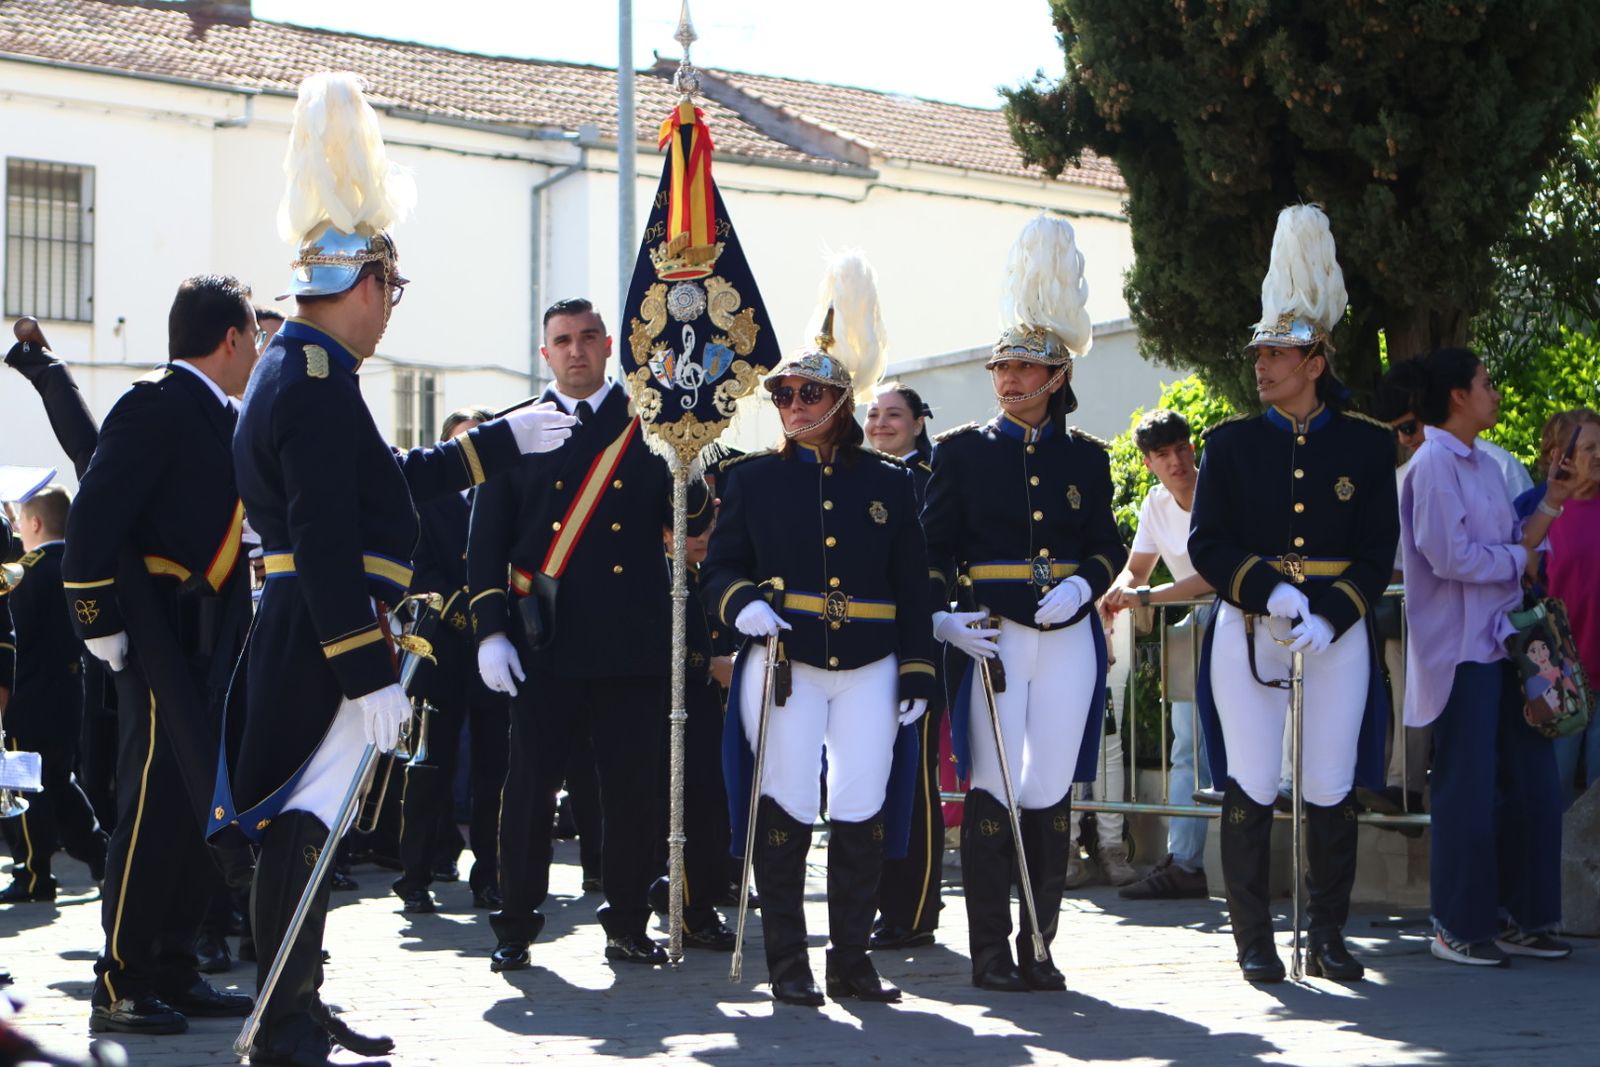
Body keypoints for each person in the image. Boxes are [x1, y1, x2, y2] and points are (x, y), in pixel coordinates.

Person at [213, 72, 575, 1067]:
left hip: (308, 619)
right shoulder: (318, 381)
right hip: (321, 626)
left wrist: (498, 442)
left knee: (312, 821)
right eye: (392, 291)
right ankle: (284, 1020)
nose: (390, 313)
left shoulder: (304, 371)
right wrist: (364, 671)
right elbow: (330, 538)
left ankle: (299, 1000)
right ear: (365, 279)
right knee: (302, 822)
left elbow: (389, 482)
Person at [702, 253, 934, 1006]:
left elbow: (914, 586)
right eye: (783, 392)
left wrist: (919, 670)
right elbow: (719, 568)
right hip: (784, 662)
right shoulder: (749, 479)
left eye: (808, 392)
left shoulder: (891, 485)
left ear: (840, 400)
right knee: (788, 800)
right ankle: (788, 962)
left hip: (869, 663)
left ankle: (852, 960)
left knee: (862, 803)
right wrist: (742, 605)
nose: (792, 403)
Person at [1188, 205, 1397, 984]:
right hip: (1250, 626)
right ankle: (1253, 938)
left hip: (1334, 633)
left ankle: (1332, 935)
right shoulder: (1231, 443)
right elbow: (1209, 542)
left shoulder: (1369, 444)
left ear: (1316, 358)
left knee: (1329, 782)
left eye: (1277, 352)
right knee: (1248, 777)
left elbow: (1379, 551)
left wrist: (1335, 612)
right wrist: (1271, 592)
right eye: (1258, 351)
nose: (1261, 363)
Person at [469, 296, 708, 972]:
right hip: (544, 644)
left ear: (609, 347)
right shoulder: (512, 430)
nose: (575, 349)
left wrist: (688, 449)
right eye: (562, 340)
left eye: (587, 337)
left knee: (632, 793)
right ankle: (515, 922)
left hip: (629, 641)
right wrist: (489, 630)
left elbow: (690, 519)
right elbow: (484, 547)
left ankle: (628, 921)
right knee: (530, 790)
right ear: (545, 353)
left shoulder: (648, 428)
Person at [923, 216, 1128, 993]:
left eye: (1023, 368)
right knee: (992, 786)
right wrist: (944, 613)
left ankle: (1039, 940)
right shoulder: (964, 452)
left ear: (1056, 378)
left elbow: (1106, 541)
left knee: (1047, 789)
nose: (1008, 380)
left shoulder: (1088, 458)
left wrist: (1087, 582)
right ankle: (987, 953)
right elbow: (931, 548)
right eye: (1000, 367)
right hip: (994, 638)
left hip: (1069, 635)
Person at [62, 274, 262, 1035]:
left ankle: (173, 965)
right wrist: (94, 617)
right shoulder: (155, 403)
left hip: (208, 637)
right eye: (255, 335)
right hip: (158, 635)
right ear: (232, 338)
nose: (259, 350)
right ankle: (121, 978)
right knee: (149, 808)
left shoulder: (220, 416)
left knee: (192, 806)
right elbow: (94, 515)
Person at [1387, 349, 1577, 965]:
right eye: (1486, 383)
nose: (1494, 393)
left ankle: (1527, 916)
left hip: (1507, 646)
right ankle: (1457, 926)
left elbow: (1505, 544)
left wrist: (1549, 501)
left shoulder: (1487, 467)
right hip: (1462, 652)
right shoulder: (1435, 464)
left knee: (1532, 786)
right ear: (1458, 397)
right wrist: (1517, 561)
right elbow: (1450, 557)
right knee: (1467, 789)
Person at [392, 407, 512, 915]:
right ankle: (415, 875)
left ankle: (490, 875)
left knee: (494, 771)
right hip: (442, 651)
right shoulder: (428, 500)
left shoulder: (505, 495)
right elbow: (418, 568)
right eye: (461, 443)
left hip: (495, 656)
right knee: (429, 768)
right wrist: (470, 612)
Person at [1102, 409, 1216, 900]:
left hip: (1245, 624)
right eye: (1163, 454)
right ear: (1148, 463)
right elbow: (1137, 569)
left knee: (1254, 753)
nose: (1177, 461)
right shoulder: (1154, 503)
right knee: (1187, 748)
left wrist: (1145, 598)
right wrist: (1114, 593)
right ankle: (1186, 864)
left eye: (1181, 448)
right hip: (1196, 626)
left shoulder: (1220, 490)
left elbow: (1217, 573)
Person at [864, 381, 948, 950]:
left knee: (911, 779)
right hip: (858, 647)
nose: (881, 423)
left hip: (913, 644)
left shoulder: (927, 483)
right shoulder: (855, 476)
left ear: (920, 423)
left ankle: (912, 908)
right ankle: (875, 900)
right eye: (872, 414)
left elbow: (936, 563)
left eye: (894, 414)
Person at [0, 486, 108, 904]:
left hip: (29, 695)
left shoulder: (28, 571)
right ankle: (100, 854)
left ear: (35, 523)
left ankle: (33, 874)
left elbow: (15, 633)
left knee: (22, 783)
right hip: (69, 690)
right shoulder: (75, 562)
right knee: (59, 781)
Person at [1514, 410, 1600, 807]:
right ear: (1559, 456)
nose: (1599, 455)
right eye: (1589, 448)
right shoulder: (1534, 509)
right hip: (1557, 678)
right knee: (1556, 792)